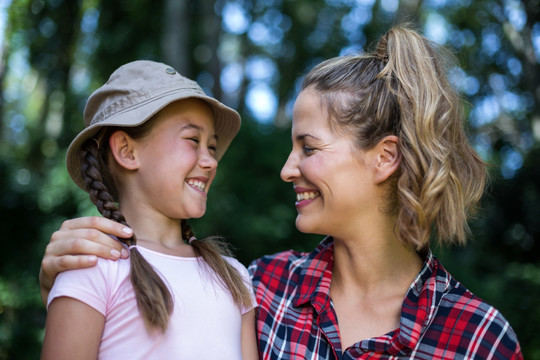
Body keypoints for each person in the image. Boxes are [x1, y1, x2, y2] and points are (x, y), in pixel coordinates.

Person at [39, 25, 522, 359]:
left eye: (308, 147)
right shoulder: (265, 289)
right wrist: (64, 288)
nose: (288, 169)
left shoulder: (479, 338)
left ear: (384, 158)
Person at [40, 60, 258, 360]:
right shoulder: (93, 268)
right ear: (127, 152)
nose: (211, 161)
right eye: (193, 140)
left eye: (212, 146)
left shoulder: (234, 275)